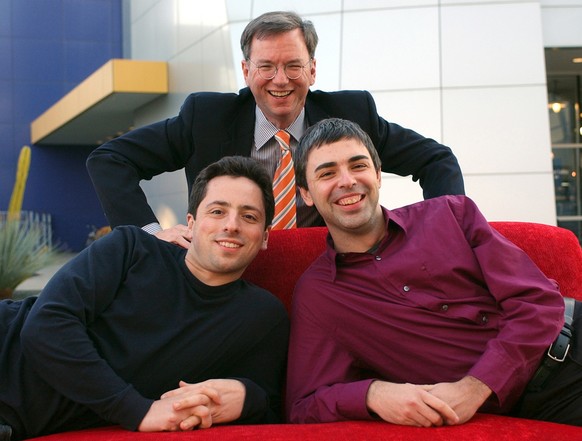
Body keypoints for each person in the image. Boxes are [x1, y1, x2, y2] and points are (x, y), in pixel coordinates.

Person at [286, 117, 582, 427]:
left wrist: (475, 387)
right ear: (306, 193)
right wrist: (372, 394)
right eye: (328, 173)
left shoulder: (450, 213)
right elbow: (303, 405)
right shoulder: (318, 295)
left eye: (358, 166)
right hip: (542, 403)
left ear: (377, 174)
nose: (346, 181)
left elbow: (540, 302)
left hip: (569, 341)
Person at [86, 10, 465, 248]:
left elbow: (436, 160)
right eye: (266, 66)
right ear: (246, 70)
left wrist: (434, 233)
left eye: (293, 66)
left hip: (331, 276)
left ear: (312, 70)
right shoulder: (207, 117)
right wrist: (151, 234)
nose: (280, 80)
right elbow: (110, 159)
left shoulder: (351, 114)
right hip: (232, 278)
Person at [0, 156, 289, 441]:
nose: (231, 225)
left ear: (264, 237)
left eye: (248, 216)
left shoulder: (262, 317)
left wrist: (246, 396)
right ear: (190, 223)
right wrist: (138, 411)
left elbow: (274, 409)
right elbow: (46, 324)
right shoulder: (131, 247)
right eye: (217, 211)